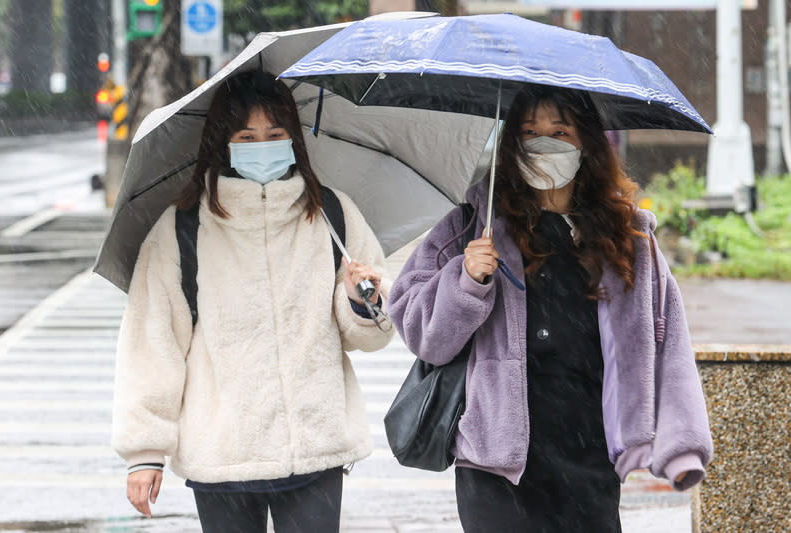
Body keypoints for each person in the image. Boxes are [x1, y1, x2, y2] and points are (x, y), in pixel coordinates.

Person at [388, 86, 713, 532]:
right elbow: (420, 332)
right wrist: (466, 281)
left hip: (591, 458)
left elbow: (668, 342)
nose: (544, 144)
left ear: (588, 144)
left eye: (560, 131)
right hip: (498, 468)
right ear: (512, 145)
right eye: (529, 132)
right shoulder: (473, 224)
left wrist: (683, 447)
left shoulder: (628, 237)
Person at [111, 70, 395, 533]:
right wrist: (145, 453)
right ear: (224, 143)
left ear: (293, 139)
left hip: (315, 447)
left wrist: (361, 300)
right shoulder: (184, 227)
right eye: (247, 135)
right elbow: (152, 340)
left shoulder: (332, 214)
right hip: (222, 455)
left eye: (276, 134)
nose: (263, 144)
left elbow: (371, 334)